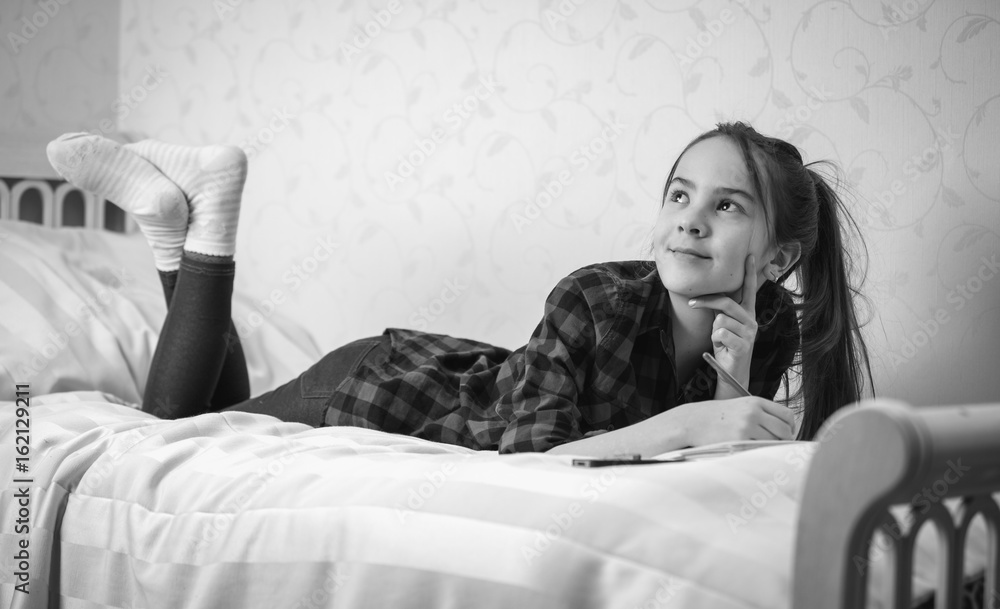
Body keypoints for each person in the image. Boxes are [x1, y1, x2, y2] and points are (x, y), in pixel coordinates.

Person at [45, 121, 874, 457]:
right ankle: (202, 224)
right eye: (679, 194)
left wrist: (729, 391)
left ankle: (171, 223)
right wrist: (696, 416)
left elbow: (706, 466)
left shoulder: (767, 330)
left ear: (775, 258)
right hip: (381, 389)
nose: (688, 220)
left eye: (726, 206)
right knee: (163, 439)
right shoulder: (595, 299)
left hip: (421, 382)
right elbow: (536, 461)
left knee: (205, 417)